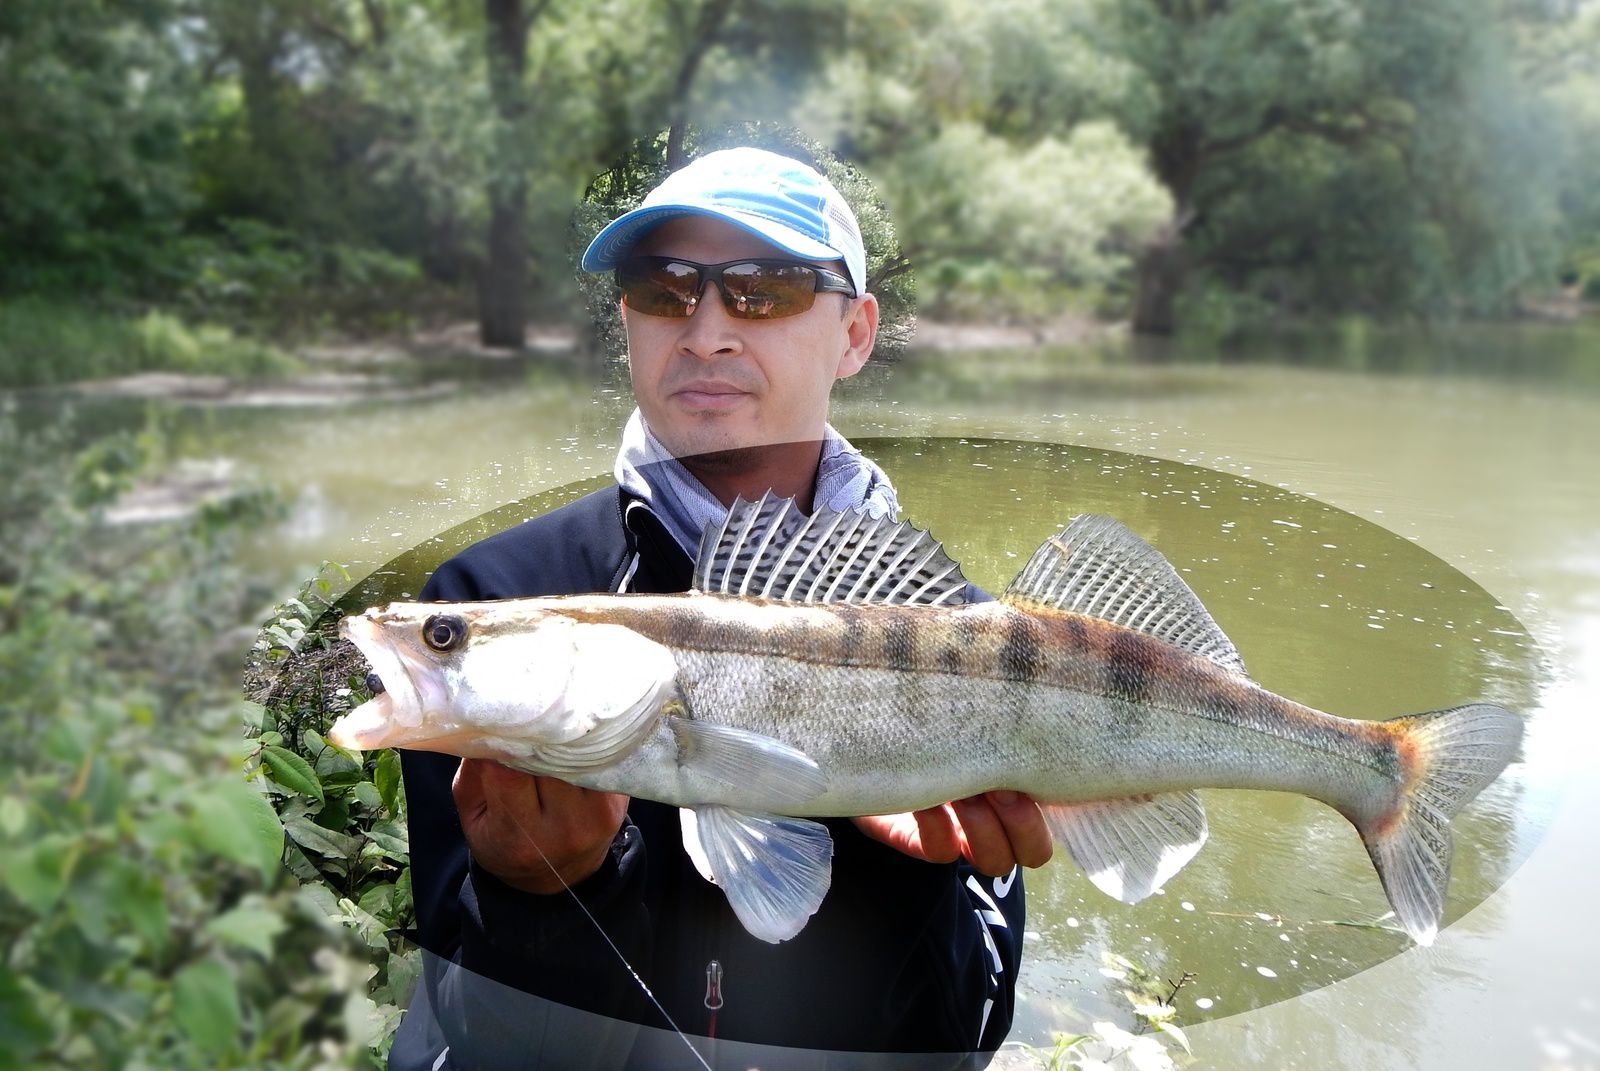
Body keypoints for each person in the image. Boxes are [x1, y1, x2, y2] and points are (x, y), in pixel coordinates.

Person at [387, 146, 1052, 1070]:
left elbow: (963, 1041)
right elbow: (483, 1041)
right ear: (628, 319)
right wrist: (546, 895)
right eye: (662, 287)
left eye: (765, 288)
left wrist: (910, 869)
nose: (704, 331)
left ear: (856, 333)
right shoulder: (484, 604)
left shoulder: (976, 644)